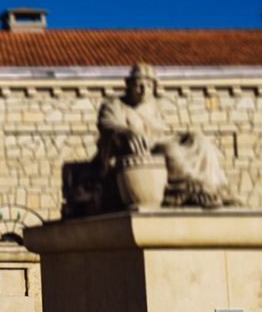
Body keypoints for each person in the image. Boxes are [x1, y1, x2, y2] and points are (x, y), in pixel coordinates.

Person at [96, 63, 233, 208]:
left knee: (199, 139)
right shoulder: (115, 105)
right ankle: (191, 189)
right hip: (135, 153)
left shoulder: (155, 107)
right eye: (139, 85)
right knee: (170, 151)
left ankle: (217, 188)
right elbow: (108, 126)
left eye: (148, 86)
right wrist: (126, 133)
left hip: (155, 148)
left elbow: (160, 135)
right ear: (129, 85)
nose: (143, 91)